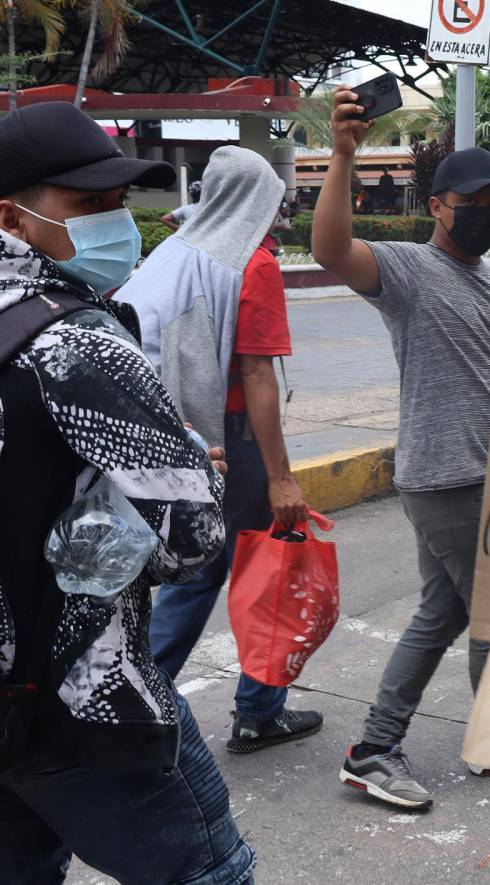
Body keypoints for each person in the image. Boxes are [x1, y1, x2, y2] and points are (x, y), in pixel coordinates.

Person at [0, 101, 254, 883]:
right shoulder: (74, 340)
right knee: (208, 872)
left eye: (117, 201)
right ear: (11, 215)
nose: (116, 220)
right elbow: (191, 537)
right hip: (81, 694)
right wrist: (185, 465)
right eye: (87, 204)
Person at [312, 87, 490, 810]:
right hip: (446, 475)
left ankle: (377, 745)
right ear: (437, 204)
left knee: (445, 609)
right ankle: (473, 737)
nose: (488, 212)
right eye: (474, 199)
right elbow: (331, 249)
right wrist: (343, 154)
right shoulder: (408, 270)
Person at [118, 145, 323, 755]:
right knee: (266, 570)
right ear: (258, 200)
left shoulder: (178, 250)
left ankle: (132, 704)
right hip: (234, 442)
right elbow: (257, 375)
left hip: (184, 434)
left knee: (195, 572)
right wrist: (280, 478)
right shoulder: (249, 263)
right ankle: (256, 711)